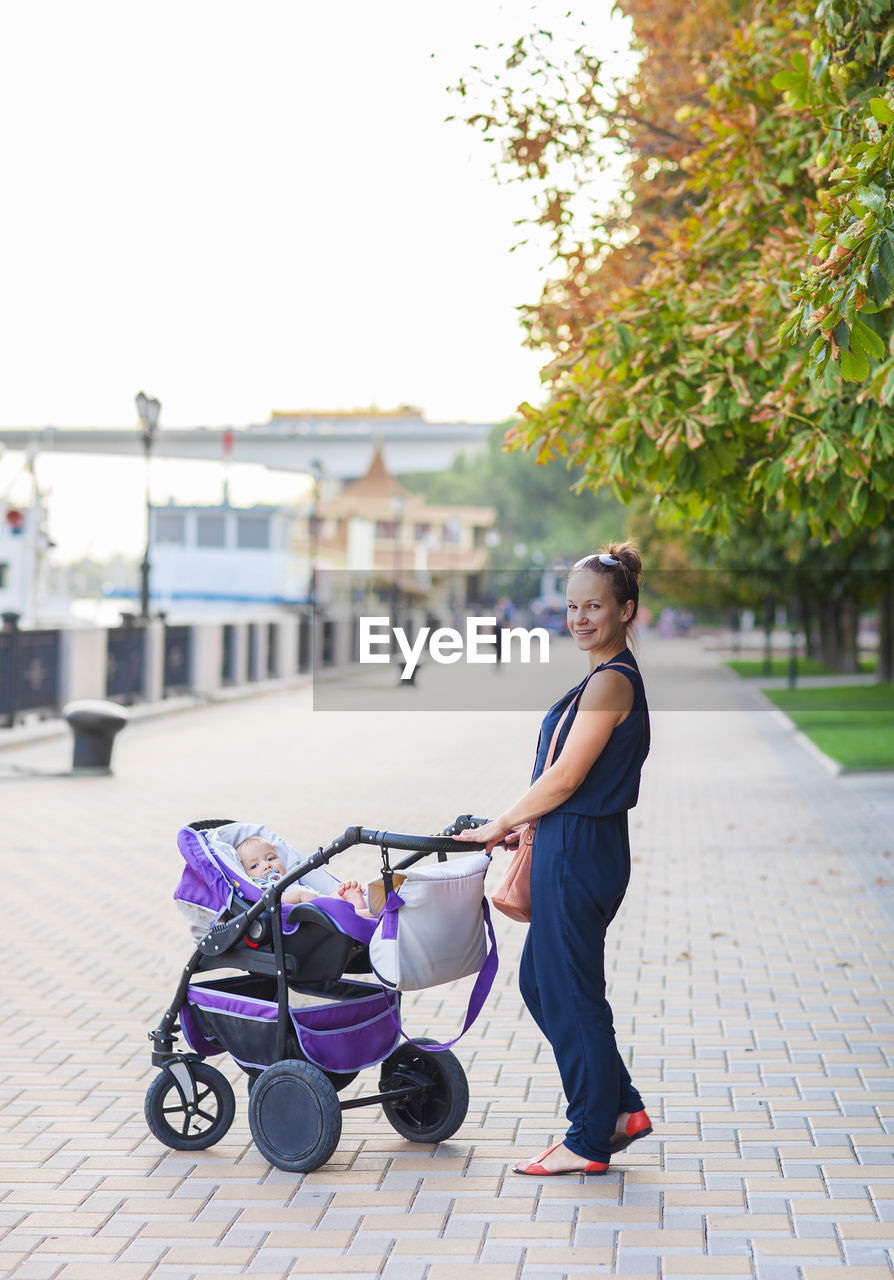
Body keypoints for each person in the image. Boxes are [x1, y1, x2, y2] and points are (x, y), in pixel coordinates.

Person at [456, 543, 652, 1176]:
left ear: (627, 610)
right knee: (545, 983)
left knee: (570, 989)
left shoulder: (614, 680)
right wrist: (526, 825)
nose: (580, 618)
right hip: (571, 842)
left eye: (595, 605)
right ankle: (619, 1109)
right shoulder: (597, 678)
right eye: (572, 606)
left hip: (583, 850)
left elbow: (567, 777)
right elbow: (564, 782)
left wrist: (503, 821)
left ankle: (590, 1137)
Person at [235, 836, 373, 916]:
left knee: (346, 894)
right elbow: (284, 899)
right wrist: (300, 895)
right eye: (254, 866)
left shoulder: (292, 881)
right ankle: (363, 915)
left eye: (271, 858)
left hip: (319, 902)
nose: (266, 865)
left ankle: (360, 909)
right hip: (311, 916)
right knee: (337, 906)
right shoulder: (265, 890)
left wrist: (338, 895)